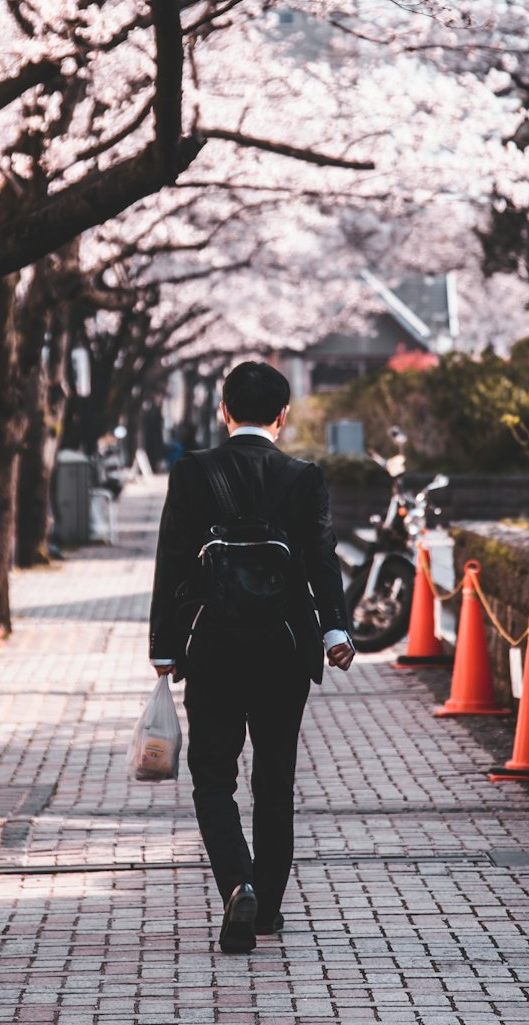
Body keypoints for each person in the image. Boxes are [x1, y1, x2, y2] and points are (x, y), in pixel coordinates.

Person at [148, 360, 354, 954]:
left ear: (223, 410)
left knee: (213, 776)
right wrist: (334, 631)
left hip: (213, 645)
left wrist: (164, 646)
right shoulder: (303, 476)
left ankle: (237, 883)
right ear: (283, 416)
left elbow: (172, 561)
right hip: (285, 647)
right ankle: (267, 906)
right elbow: (322, 559)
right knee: (275, 779)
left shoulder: (193, 473)